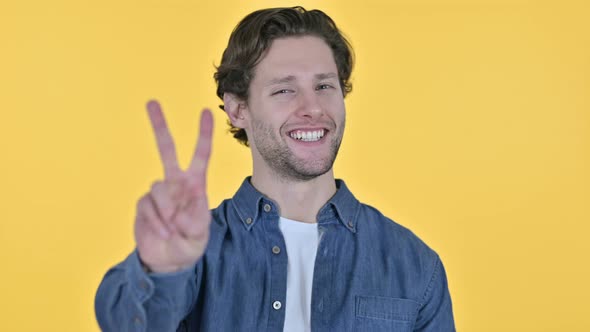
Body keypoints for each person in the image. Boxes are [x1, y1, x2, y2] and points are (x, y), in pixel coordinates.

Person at [95, 6, 455, 332]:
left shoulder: (415, 265)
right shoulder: (192, 252)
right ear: (238, 110)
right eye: (285, 91)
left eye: (324, 85)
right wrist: (161, 271)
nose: (313, 107)